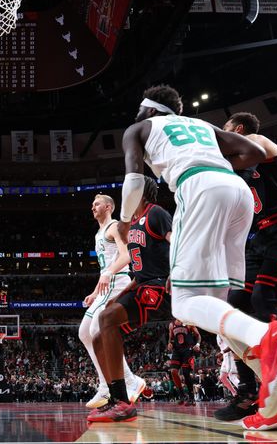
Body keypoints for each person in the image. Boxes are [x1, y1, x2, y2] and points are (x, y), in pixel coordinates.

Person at [117, 84, 277, 428]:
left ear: (149, 110)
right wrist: (220, 169)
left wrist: (126, 219)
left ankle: (272, 337)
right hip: (238, 195)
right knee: (224, 310)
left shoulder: (139, 128)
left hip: (199, 188)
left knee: (185, 304)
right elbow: (252, 151)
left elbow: (133, 184)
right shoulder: (203, 125)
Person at [215, 112, 277, 429]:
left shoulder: (261, 145)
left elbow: (253, 146)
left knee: (262, 297)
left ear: (239, 130)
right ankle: (252, 390)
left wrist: (202, 137)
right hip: (261, 237)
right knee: (233, 307)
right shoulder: (237, 175)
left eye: (227, 131)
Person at [89, 177, 171, 422]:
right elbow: (139, 269)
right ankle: (116, 398)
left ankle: (122, 402)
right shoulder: (133, 223)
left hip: (160, 285)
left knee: (106, 318)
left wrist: (177, 272)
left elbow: (177, 241)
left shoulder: (155, 213)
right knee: (97, 337)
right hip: (142, 284)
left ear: (139, 191)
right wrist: (122, 294)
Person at [80, 194, 146, 412]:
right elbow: (105, 267)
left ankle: (120, 383)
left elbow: (127, 255)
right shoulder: (99, 232)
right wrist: (93, 292)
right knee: (84, 333)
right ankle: (111, 382)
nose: (92, 207)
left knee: (95, 329)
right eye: (92, 204)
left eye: (96, 203)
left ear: (108, 207)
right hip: (106, 285)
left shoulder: (115, 226)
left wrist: (108, 273)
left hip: (118, 282)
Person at [167, 319, 201, 406]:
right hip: (177, 350)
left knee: (186, 373)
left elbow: (198, 335)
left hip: (188, 349)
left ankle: (191, 397)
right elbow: (170, 338)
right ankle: (182, 395)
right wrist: (170, 343)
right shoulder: (172, 324)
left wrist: (197, 344)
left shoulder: (189, 322)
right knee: (173, 371)